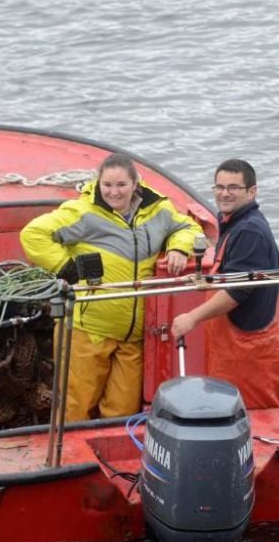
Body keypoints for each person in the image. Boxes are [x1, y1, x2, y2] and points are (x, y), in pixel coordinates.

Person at [20, 153, 203, 422]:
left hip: (135, 337)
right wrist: (67, 267)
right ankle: (74, 458)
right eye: (107, 185)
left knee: (121, 413)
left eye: (121, 185)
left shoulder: (159, 210)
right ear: (98, 183)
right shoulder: (83, 213)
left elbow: (190, 227)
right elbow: (32, 235)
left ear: (135, 184)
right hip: (88, 330)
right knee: (76, 408)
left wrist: (178, 247)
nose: (113, 192)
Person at [171, 158, 279, 409]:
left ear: (252, 191)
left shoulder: (249, 232)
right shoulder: (234, 224)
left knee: (248, 412)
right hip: (234, 346)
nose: (225, 193)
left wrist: (192, 317)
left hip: (248, 350)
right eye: (219, 187)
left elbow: (238, 291)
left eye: (234, 187)